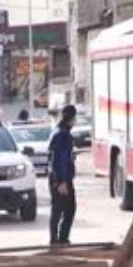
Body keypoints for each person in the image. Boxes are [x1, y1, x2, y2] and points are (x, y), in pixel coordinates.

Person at [47, 104, 78, 245]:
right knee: (65, 210)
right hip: (61, 179)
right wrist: (61, 182)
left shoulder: (59, 132)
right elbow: (59, 160)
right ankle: (59, 239)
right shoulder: (62, 135)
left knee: (61, 210)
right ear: (71, 118)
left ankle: (58, 239)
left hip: (59, 177)